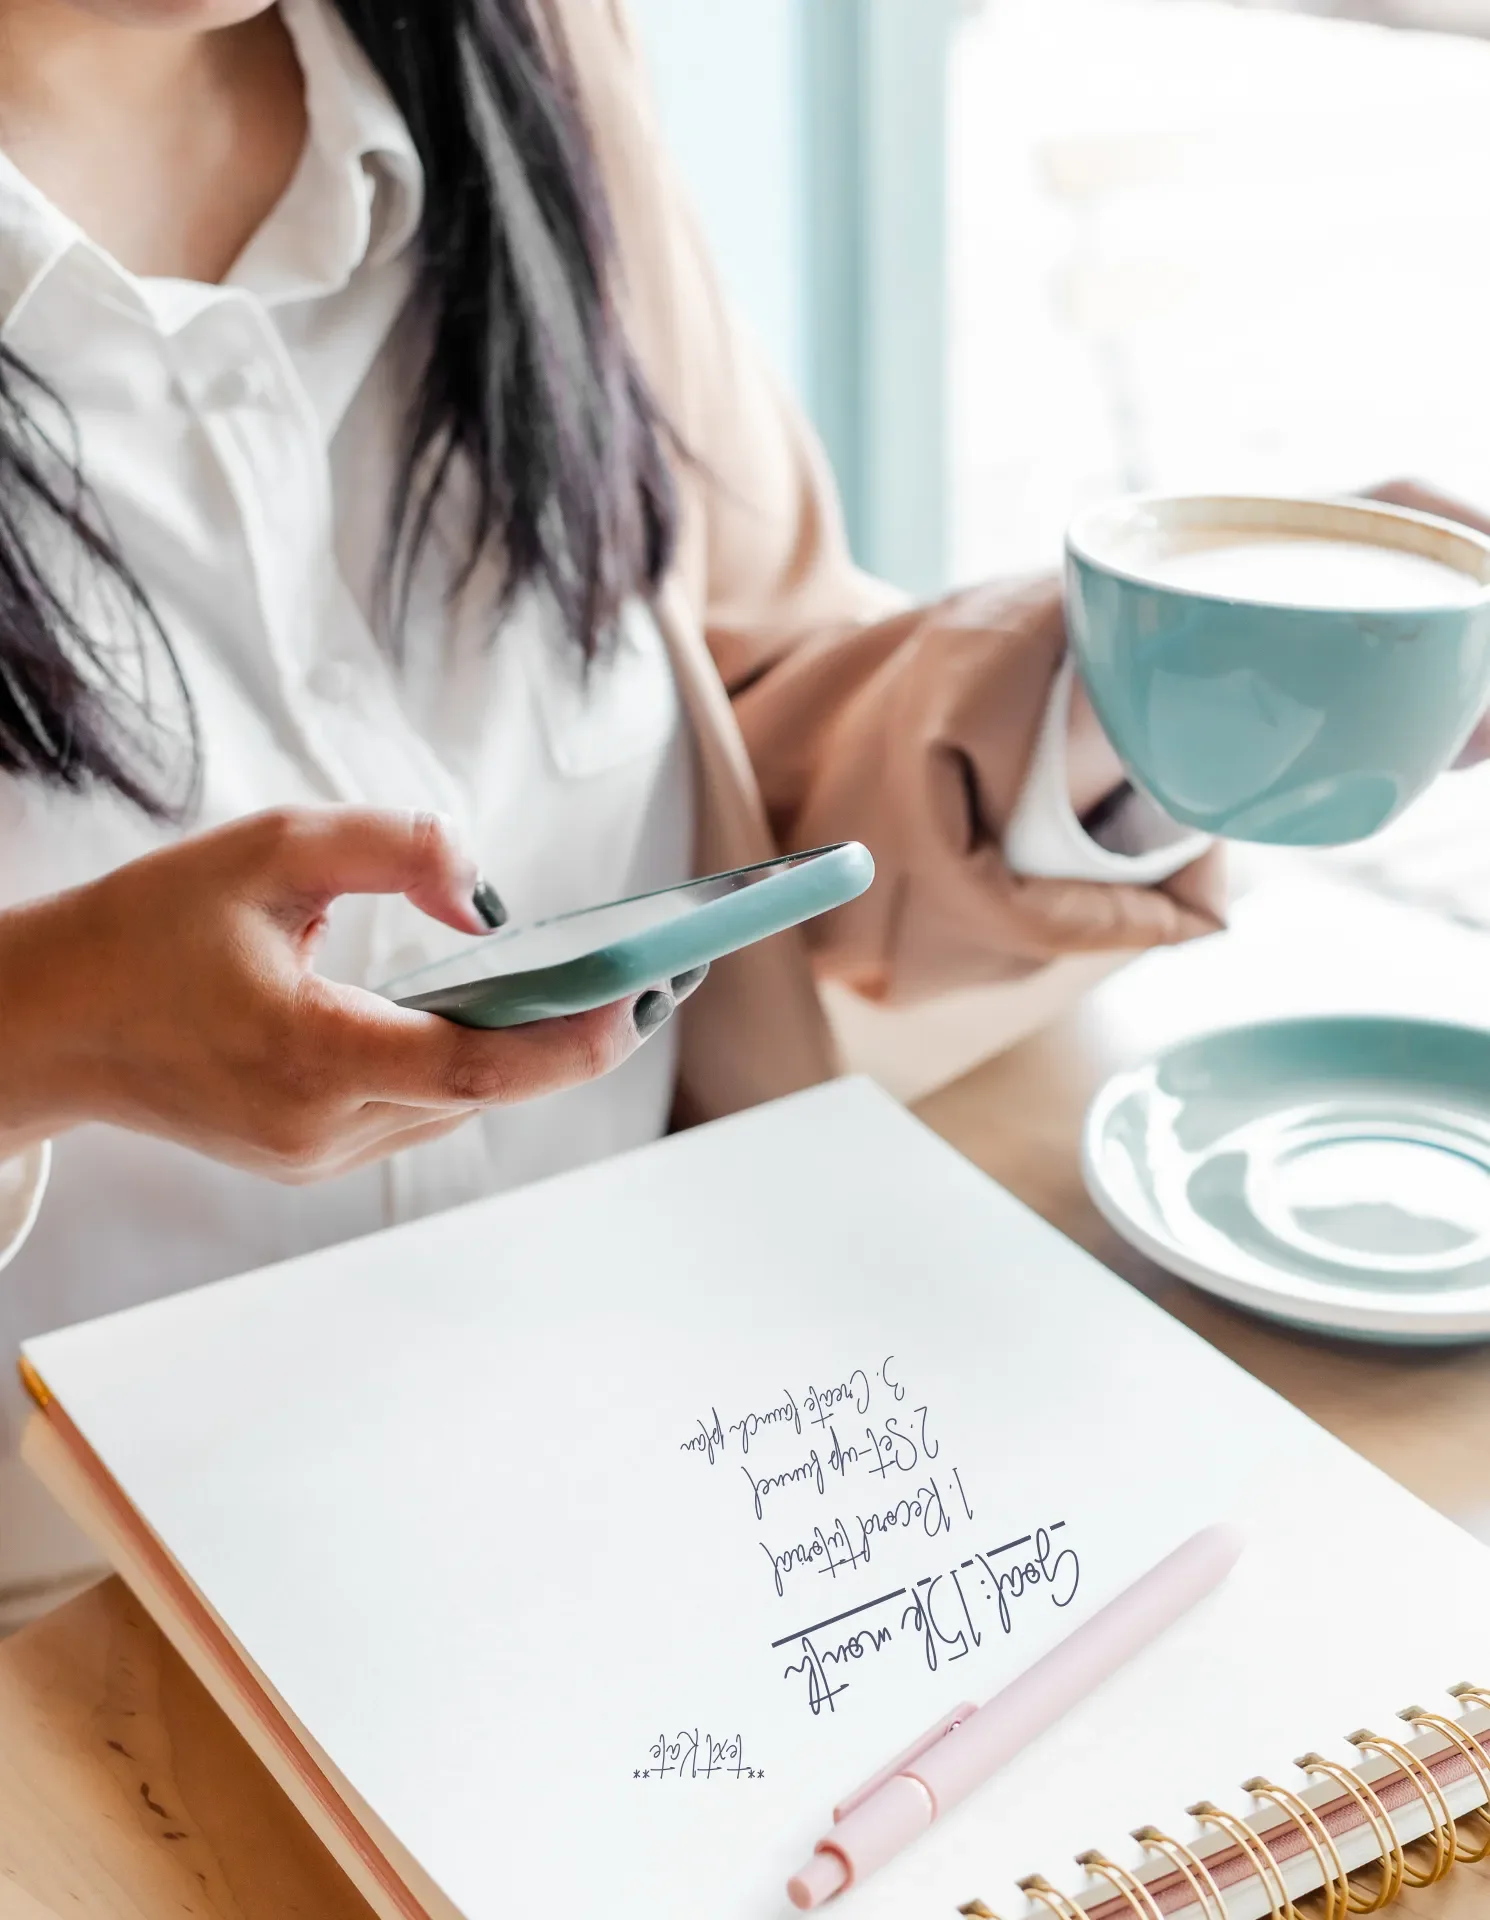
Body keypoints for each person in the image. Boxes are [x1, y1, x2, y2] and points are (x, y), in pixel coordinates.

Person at [0, 0, 1478, 1622]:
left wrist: (1150, 695)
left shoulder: (521, 51)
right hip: (74, 1629)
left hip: (659, 1463)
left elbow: (745, 714)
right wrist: (49, 1026)